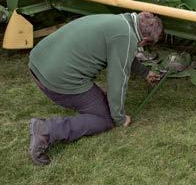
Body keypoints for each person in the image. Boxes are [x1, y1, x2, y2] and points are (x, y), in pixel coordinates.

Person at [27, 12, 163, 165]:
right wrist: (119, 118)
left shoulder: (120, 21)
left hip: (38, 62)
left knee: (105, 103)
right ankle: (47, 130)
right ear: (144, 40)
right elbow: (117, 81)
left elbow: (122, 53)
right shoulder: (126, 37)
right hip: (58, 80)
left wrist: (144, 72)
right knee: (105, 118)